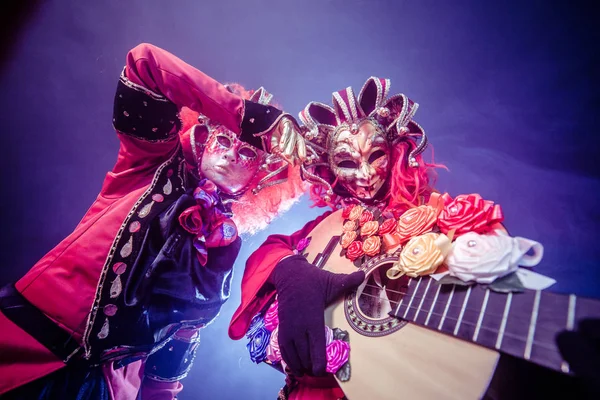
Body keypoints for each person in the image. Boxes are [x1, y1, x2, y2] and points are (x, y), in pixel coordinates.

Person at [0, 43, 306, 399]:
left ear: (258, 179)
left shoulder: (224, 242)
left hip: (108, 387)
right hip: (25, 348)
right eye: (223, 139)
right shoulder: (149, 162)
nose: (228, 154)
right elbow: (144, 64)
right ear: (205, 139)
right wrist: (249, 118)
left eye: (246, 153)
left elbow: (183, 334)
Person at [229, 77, 438, 399]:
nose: (366, 175)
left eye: (376, 155)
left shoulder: (438, 213)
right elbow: (272, 250)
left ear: (395, 151)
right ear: (327, 168)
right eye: (346, 162)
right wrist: (289, 271)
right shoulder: (322, 226)